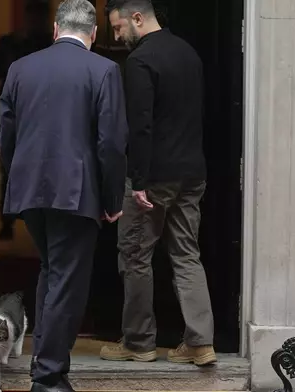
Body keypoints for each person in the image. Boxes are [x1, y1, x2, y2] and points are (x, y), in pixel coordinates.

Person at [0, 0, 128, 390]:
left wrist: (18, 175)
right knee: (67, 283)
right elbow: (111, 144)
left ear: (56, 29)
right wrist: (111, 200)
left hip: (30, 190)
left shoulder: (21, 68)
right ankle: (49, 377)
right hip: (76, 194)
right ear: (94, 33)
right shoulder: (104, 70)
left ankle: (45, 362)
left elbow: (7, 135)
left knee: (52, 273)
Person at [99, 0, 216, 367]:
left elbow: (142, 126)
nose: (117, 37)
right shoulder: (188, 53)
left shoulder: (140, 61)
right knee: (186, 254)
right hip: (192, 173)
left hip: (153, 177)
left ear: (138, 18)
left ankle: (138, 342)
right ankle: (200, 343)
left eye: (119, 28)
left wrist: (138, 181)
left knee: (135, 256)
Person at [0, 1, 53, 241]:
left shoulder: (49, 44)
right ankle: (8, 221)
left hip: (38, 115)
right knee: (9, 169)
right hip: (14, 113)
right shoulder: (10, 42)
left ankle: (31, 221)